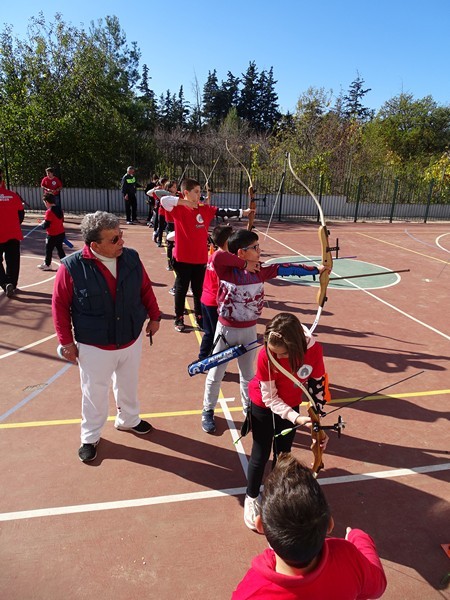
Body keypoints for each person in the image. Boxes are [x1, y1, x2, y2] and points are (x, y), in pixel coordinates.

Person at [52, 211, 161, 463]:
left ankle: (128, 419)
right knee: (94, 392)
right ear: (95, 244)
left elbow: (145, 288)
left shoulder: (131, 257)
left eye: (120, 235)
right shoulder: (71, 268)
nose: (121, 241)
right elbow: (59, 306)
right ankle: (90, 436)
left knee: (128, 383)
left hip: (130, 338)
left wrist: (155, 316)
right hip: (95, 345)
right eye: (114, 239)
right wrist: (66, 342)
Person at [201, 229, 328, 434]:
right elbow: (217, 256)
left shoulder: (261, 271)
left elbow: (285, 269)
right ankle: (208, 410)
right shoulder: (226, 270)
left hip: (249, 330)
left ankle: (248, 409)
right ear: (241, 252)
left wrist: (315, 270)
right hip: (225, 330)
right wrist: (244, 265)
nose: (259, 251)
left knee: (248, 374)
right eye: (255, 247)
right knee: (216, 372)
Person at [233, 453, 387, 599]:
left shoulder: (250, 593)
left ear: (260, 525)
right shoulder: (348, 558)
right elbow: (378, 585)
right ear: (329, 524)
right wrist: (359, 537)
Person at [243, 312, 329, 530]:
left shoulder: (314, 350)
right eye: (273, 352)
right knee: (260, 452)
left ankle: (275, 496)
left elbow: (317, 386)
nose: (276, 356)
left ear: (295, 346)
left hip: (291, 403)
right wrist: (297, 417)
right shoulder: (266, 355)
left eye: (281, 353)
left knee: (283, 454)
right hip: (263, 405)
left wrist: (317, 425)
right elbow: (270, 398)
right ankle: (251, 497)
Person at [160, 178, 254, 333]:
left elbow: (222, 211)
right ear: (186, 192)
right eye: (196, 192)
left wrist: (242, 212)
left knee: (198, 290)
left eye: (200, 192)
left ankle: (200, 317)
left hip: (200, 259)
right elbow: (163, 199)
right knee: (181, 289)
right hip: (182, 259)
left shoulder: (204, 209)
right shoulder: (177, 208)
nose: (200, 195)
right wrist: (185, 203)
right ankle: (179, 318)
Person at [198, 224, 234, 360]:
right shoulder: (223, 259)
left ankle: (202, 359)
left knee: (209, 332)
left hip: (206, 299)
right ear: (227, 241)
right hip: (214, 302)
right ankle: (214, 361)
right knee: (218, 335)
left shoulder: (213, 255)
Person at [0, 169, 25, 297]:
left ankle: (5, 283)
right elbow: (21, 213)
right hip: (13, 233)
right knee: (13, 260)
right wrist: (14, 224)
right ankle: (12, 284)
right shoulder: (13, 196)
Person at [37, 193, 66, 271]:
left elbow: (46, 225)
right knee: (60, 249)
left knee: (48, 249)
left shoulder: (49, 212)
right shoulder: (60, 209)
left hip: (52, 234)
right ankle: (65, 264)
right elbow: (60, 220)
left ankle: (47, 264)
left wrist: (41, 224)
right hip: (61, 232)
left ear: (47, 202)